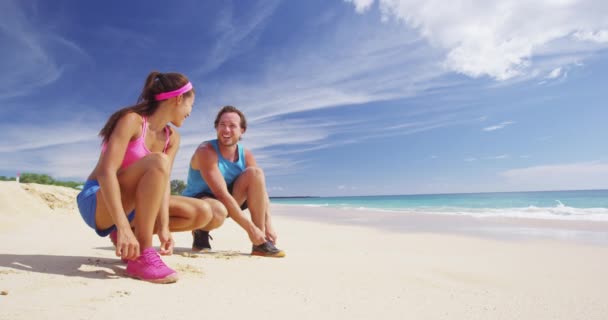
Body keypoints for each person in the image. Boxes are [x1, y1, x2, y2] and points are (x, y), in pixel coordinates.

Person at [76, 71, 222, 284]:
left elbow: (162, 185)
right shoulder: (131, 121)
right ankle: (142, 254)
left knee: (202, 213)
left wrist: (163, 227)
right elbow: (106, 173)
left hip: (134, 206)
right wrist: (124, 227)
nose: (190, 112)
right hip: (99, 200)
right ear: (178, 99)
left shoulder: (172, 138)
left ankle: (127, 239)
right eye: (192, 105)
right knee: (158, 161)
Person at [182, 105, 285, 257]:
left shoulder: (246, 155)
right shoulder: (206, 150)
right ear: (216, 127)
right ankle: (200, 231)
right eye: (222, 125)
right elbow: (221, 193)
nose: (226, 130)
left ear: (242, 130)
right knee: (217, 210)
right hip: (200, 201)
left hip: (227, 200)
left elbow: (260, 192)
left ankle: (260, 245)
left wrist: (268, 224)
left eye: (232, 126)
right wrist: (250, 230)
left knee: (256, 173)